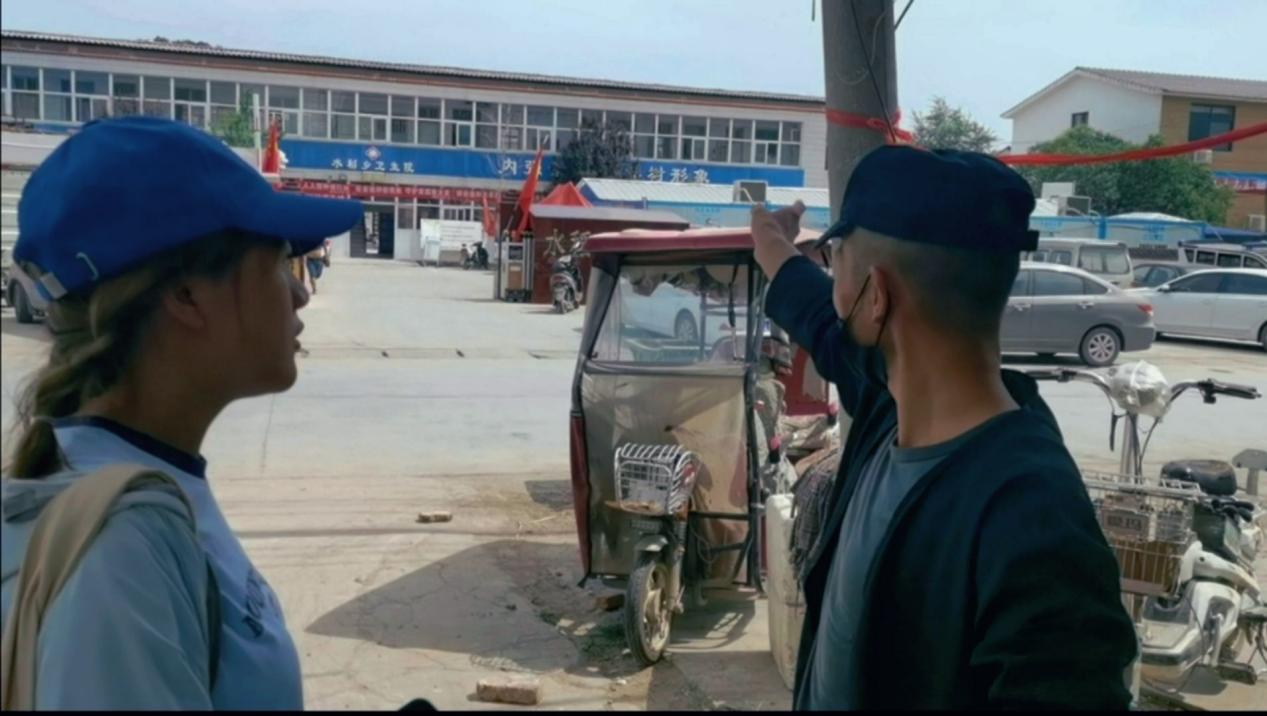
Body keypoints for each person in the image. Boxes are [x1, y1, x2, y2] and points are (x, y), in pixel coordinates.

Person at [750, 146, 1137, 710]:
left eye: (836, 264)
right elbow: (823, 323)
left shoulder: (1034, 518)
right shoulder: (890, 404)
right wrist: (773, 247)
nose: (830, 286)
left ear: (876, 297)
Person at [0, 116, 362, 709]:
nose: (299, 293)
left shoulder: (140, 485)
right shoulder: (119, 551)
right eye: (277, 263)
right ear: (187, 295)